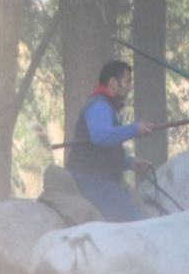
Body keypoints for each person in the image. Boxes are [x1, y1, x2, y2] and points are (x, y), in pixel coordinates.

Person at [64, 60, 152, 223]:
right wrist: (134, 129)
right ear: (113, 82)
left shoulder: (108, 106)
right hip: (90, 178)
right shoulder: (99, 105)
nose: (129, 86)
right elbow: (100, 136)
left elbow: (103, 152)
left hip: (98, 177)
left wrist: (129, 163)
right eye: (127, 81)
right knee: (133, 222)